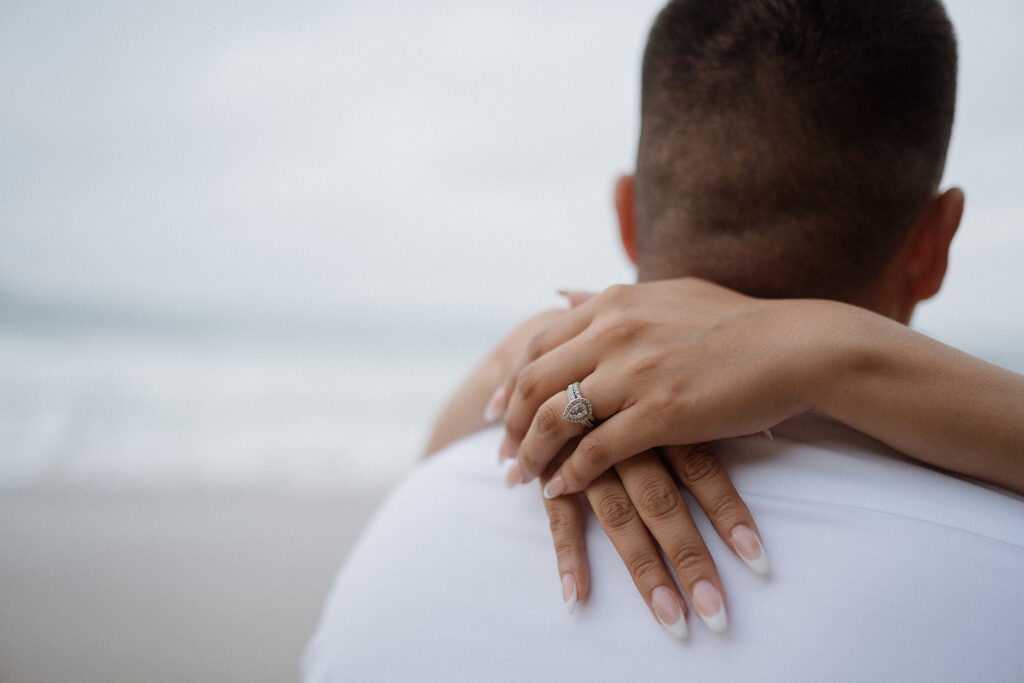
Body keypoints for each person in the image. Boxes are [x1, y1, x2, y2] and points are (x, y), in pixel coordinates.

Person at [303, 1, 1024, 679]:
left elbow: (431, 466)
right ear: (935, 243)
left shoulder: (404, 536)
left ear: (628, 215)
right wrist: (842, 353)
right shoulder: (1002, 583)